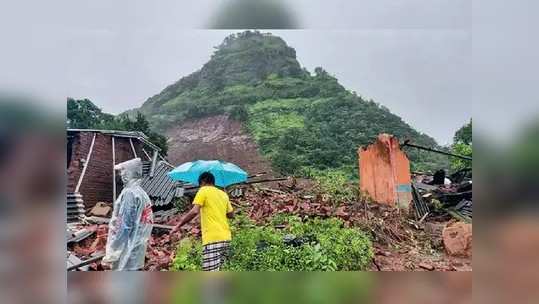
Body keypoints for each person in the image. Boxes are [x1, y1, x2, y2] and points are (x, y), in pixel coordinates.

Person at [171, 172, 234, 271]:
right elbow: (231, 215)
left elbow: (194, 211)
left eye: (199, 184)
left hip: (212, 239)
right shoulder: (223, 194)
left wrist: (178, 225)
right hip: (226, 238)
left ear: (203, 181)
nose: (199, 187)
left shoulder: (203, 190)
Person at [102, 158, 153, 271]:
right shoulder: (141, 193)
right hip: (137, 247)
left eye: (123, 171)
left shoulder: (130, 194)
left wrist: (113, 253)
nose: (121, 174)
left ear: (129, 173)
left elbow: (124, 226)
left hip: (127, 250)